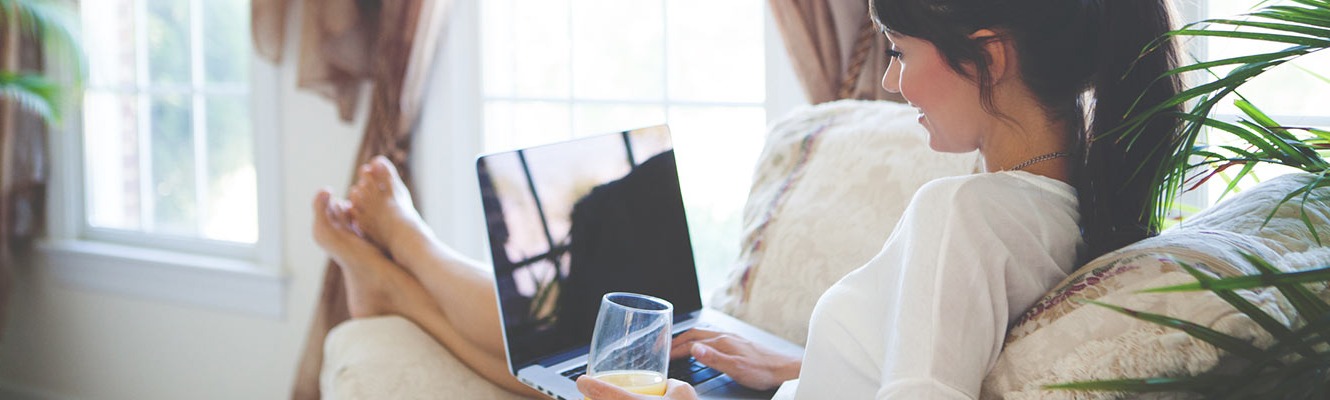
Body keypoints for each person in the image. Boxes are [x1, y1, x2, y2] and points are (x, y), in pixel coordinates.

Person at [313, 0, 1182, 398]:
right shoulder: (1062, 202)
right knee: (597, 358)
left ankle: (408, 266)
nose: (888, 80)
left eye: (899, 48)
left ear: (985, 56)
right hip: (791, 385)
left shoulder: (966, 216)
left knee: (591, 365)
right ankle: (408, 274)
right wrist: (798, 369)